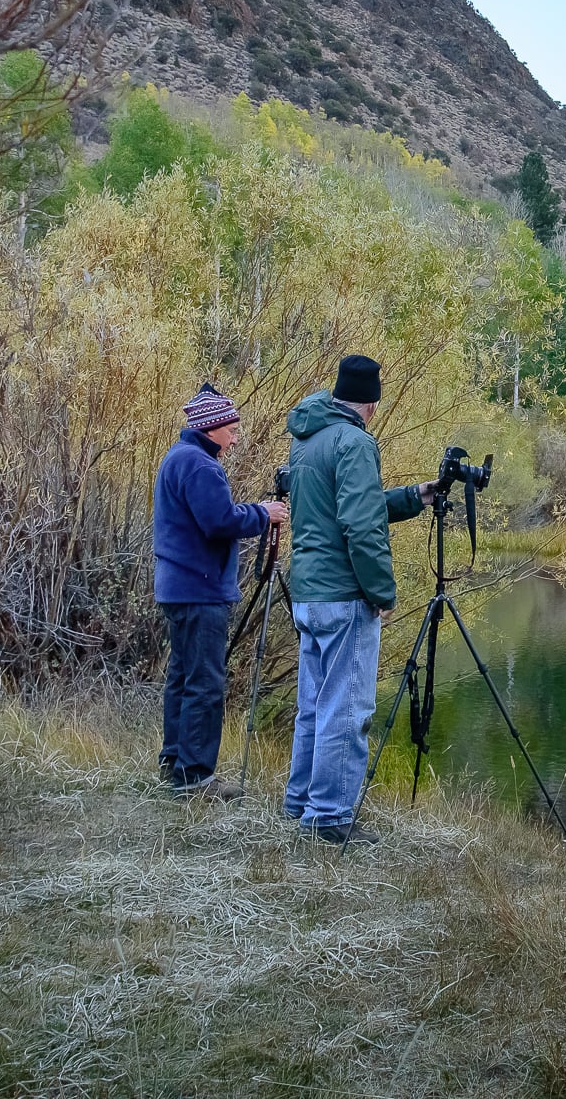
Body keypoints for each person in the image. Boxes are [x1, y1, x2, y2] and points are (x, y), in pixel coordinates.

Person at [283, 354, 434, 844]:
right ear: (372, 401)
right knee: (346, 710)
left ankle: (301, 803)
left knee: (313, 705)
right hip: (344, 596)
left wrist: (415, 496)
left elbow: (339, 510)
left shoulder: (307, 440)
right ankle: (329, 820)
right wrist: (381, 592)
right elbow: (360, 527)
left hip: (308, 595)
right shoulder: (355, 442)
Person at [153, 384, 289, 798]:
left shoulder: (178, 458)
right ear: (212, 429)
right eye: (231, 428)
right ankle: (195, 777)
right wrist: (263, 514)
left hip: (179, 588)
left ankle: (174, 762)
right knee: (206, 683)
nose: (234, 437)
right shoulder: (201, 466)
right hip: (201, 590)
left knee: (182, 676)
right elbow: (219, 522)